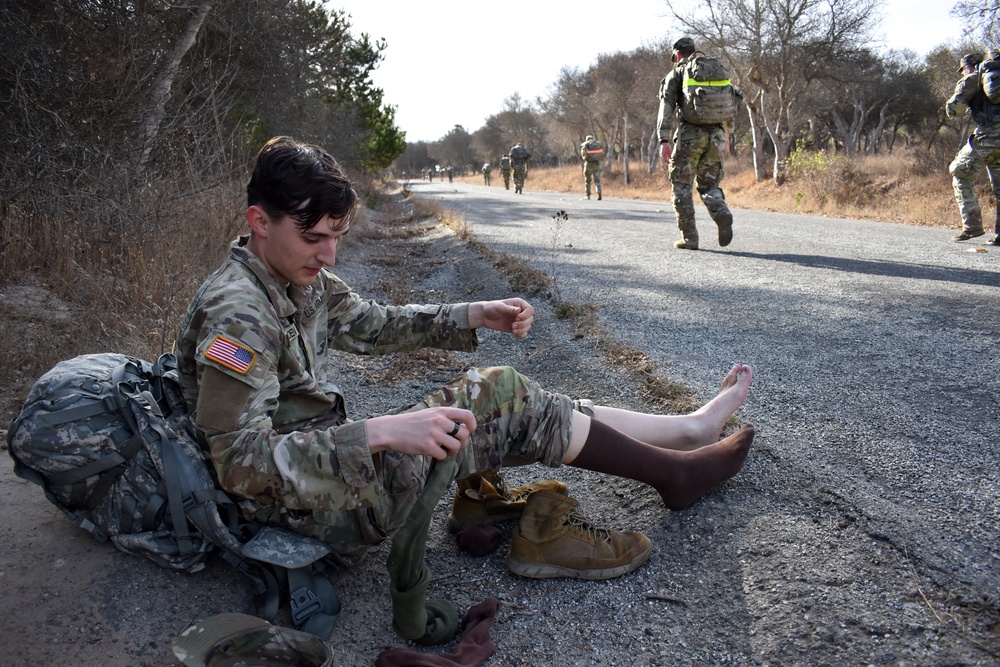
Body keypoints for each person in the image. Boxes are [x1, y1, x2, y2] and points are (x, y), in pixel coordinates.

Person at [175, 135, 755, 584]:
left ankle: (685, 431)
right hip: (299, 512)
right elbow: (240, 465)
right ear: (259, 221)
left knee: (510, 402)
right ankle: (676, 470)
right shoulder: (239, 316)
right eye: (315, 238)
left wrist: (475, 313)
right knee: (499, 393)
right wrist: (377, 433)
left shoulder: (293, 277)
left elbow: (372, 323)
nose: (329, 256)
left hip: (325, 473)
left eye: (338, 236)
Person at [656, 36, 740, 250]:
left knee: (681, 185)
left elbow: (666, 107)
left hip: (690, 136)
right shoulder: (713, 69)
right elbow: (729, 106)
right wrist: (726, 139)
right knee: (709, 185)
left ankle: (689, 238)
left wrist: (664, 139)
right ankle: (721, 212)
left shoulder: (676, 73)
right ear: (694, 50)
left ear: (676, 55)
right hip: (717, 136)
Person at [946, 51, 1000, 244]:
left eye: (963, 69)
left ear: (969, 66)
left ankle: (972, 226)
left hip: (987, 139)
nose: (962, 73)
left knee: (959, 172)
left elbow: (954, 110)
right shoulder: (994, 78)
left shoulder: (972, 78)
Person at [580, 135, 604, 200]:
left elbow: (583, 155)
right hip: (596, 165)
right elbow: (602, 153)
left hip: (588, 165)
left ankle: (587, 195)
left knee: (587, 181)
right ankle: (599, 192)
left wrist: (586, 157)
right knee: (597, 180)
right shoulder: (598, 144)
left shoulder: (585, 145)